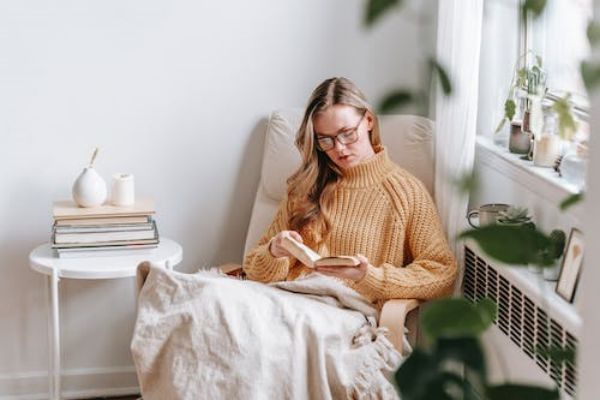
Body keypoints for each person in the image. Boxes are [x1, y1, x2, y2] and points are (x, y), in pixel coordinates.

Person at [243, 77, 457, 305]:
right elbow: (252, 269)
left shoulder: (406, 192)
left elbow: (441, 273)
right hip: (285, 299)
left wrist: (369, 277)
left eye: (347, 133)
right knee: (213, 292)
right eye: (325, 140)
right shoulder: (306, 186)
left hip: (342, 311)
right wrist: (274, 252)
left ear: (368, 120)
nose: (339, 148)